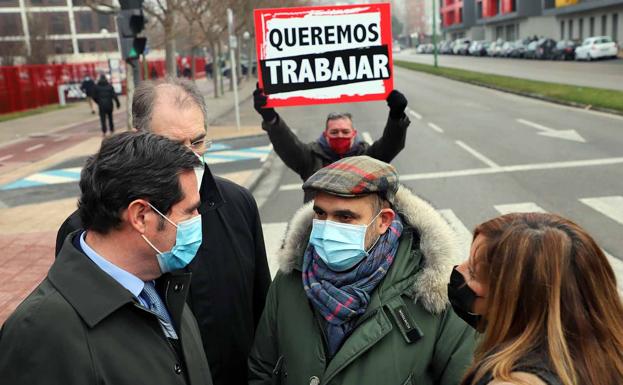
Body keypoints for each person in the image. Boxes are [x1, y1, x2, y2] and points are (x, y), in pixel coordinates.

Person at [55, 77, 270, 385]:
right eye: (172, 145)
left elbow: (263, 315)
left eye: (197, 142)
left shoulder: (237, 205)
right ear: (138, 137)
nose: (190, 158)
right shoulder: (87, 230)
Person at [0, 132, 213, 385]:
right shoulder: (40, 330)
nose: (199, 218)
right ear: (141, 216)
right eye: (189, 211)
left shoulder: (161, 283)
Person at [249, 156, 475, 385]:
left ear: (383, 221)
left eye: (345, 217)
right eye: (320, 214)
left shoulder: (432, 294)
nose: (327, 227)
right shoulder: (291, 278)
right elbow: (262, 368)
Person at [448, 213, 623, 385]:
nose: (459, 270)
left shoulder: (513, 381)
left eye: (473, 271)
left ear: (515, 297)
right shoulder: (605, 353)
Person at [253, 86, 410, 202]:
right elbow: (288, 146)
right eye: (334, 132)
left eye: (345, 132)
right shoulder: (310, 158)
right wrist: (270, 117)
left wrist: (396, 116)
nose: (340, 135)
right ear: (325, 134)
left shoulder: (368, 157)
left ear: (354, 134)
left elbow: (390, 145)